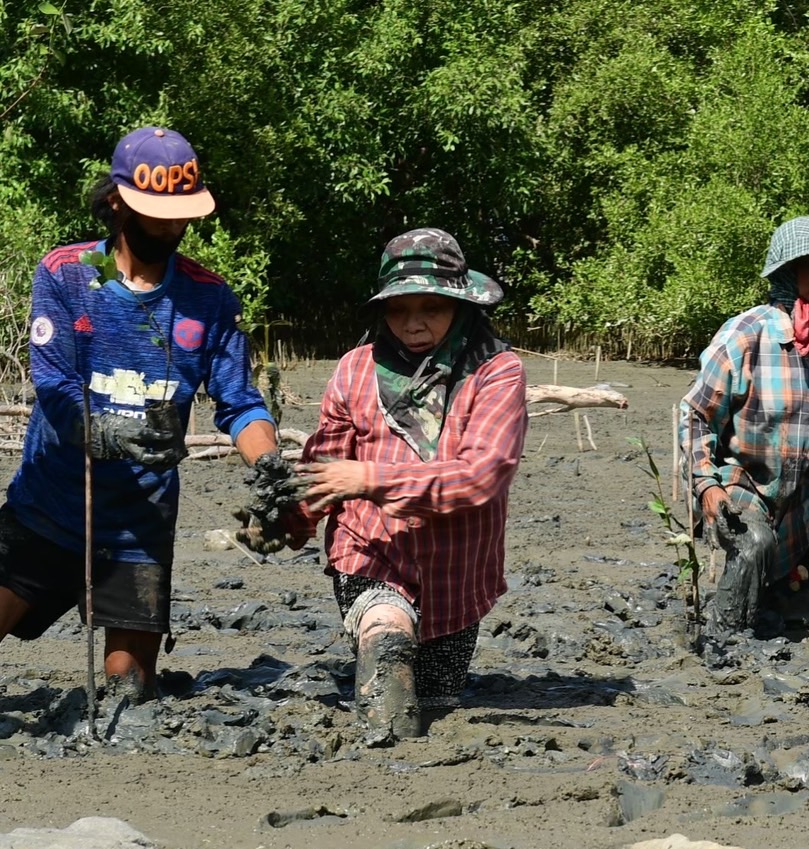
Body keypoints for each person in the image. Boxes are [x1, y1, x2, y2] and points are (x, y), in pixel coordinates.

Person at [5, 125, 293, 714]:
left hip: (140, 522)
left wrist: (270, 468)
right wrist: (111, 434)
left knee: (128, 694)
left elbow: (238, 402)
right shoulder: (68, 275)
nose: (171, 227)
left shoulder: (209, 298)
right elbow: (55, 389)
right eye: (156, 214)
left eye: (181, 216)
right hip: (52, 503)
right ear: (117, 202)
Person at [297, 228, 527, 744]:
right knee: (387, 643)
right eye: (399, 309)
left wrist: (369, 477)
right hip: (369, 548)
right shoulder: (356, 370)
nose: (412, 324)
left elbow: (481, 474)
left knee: (439, 699)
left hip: (458, 567)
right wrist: (289, 517)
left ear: (460, 305)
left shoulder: (496, 372)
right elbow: (325, 464)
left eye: (430, 308)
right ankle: (381, 772)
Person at [681, 216, 809, 633]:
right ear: (788, 271)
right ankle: (722, 639)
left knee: (799, 623)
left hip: (795, 508)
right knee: (752, 552)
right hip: (739, 485)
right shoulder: (746, 335)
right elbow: (696, 414)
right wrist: (706, 485)